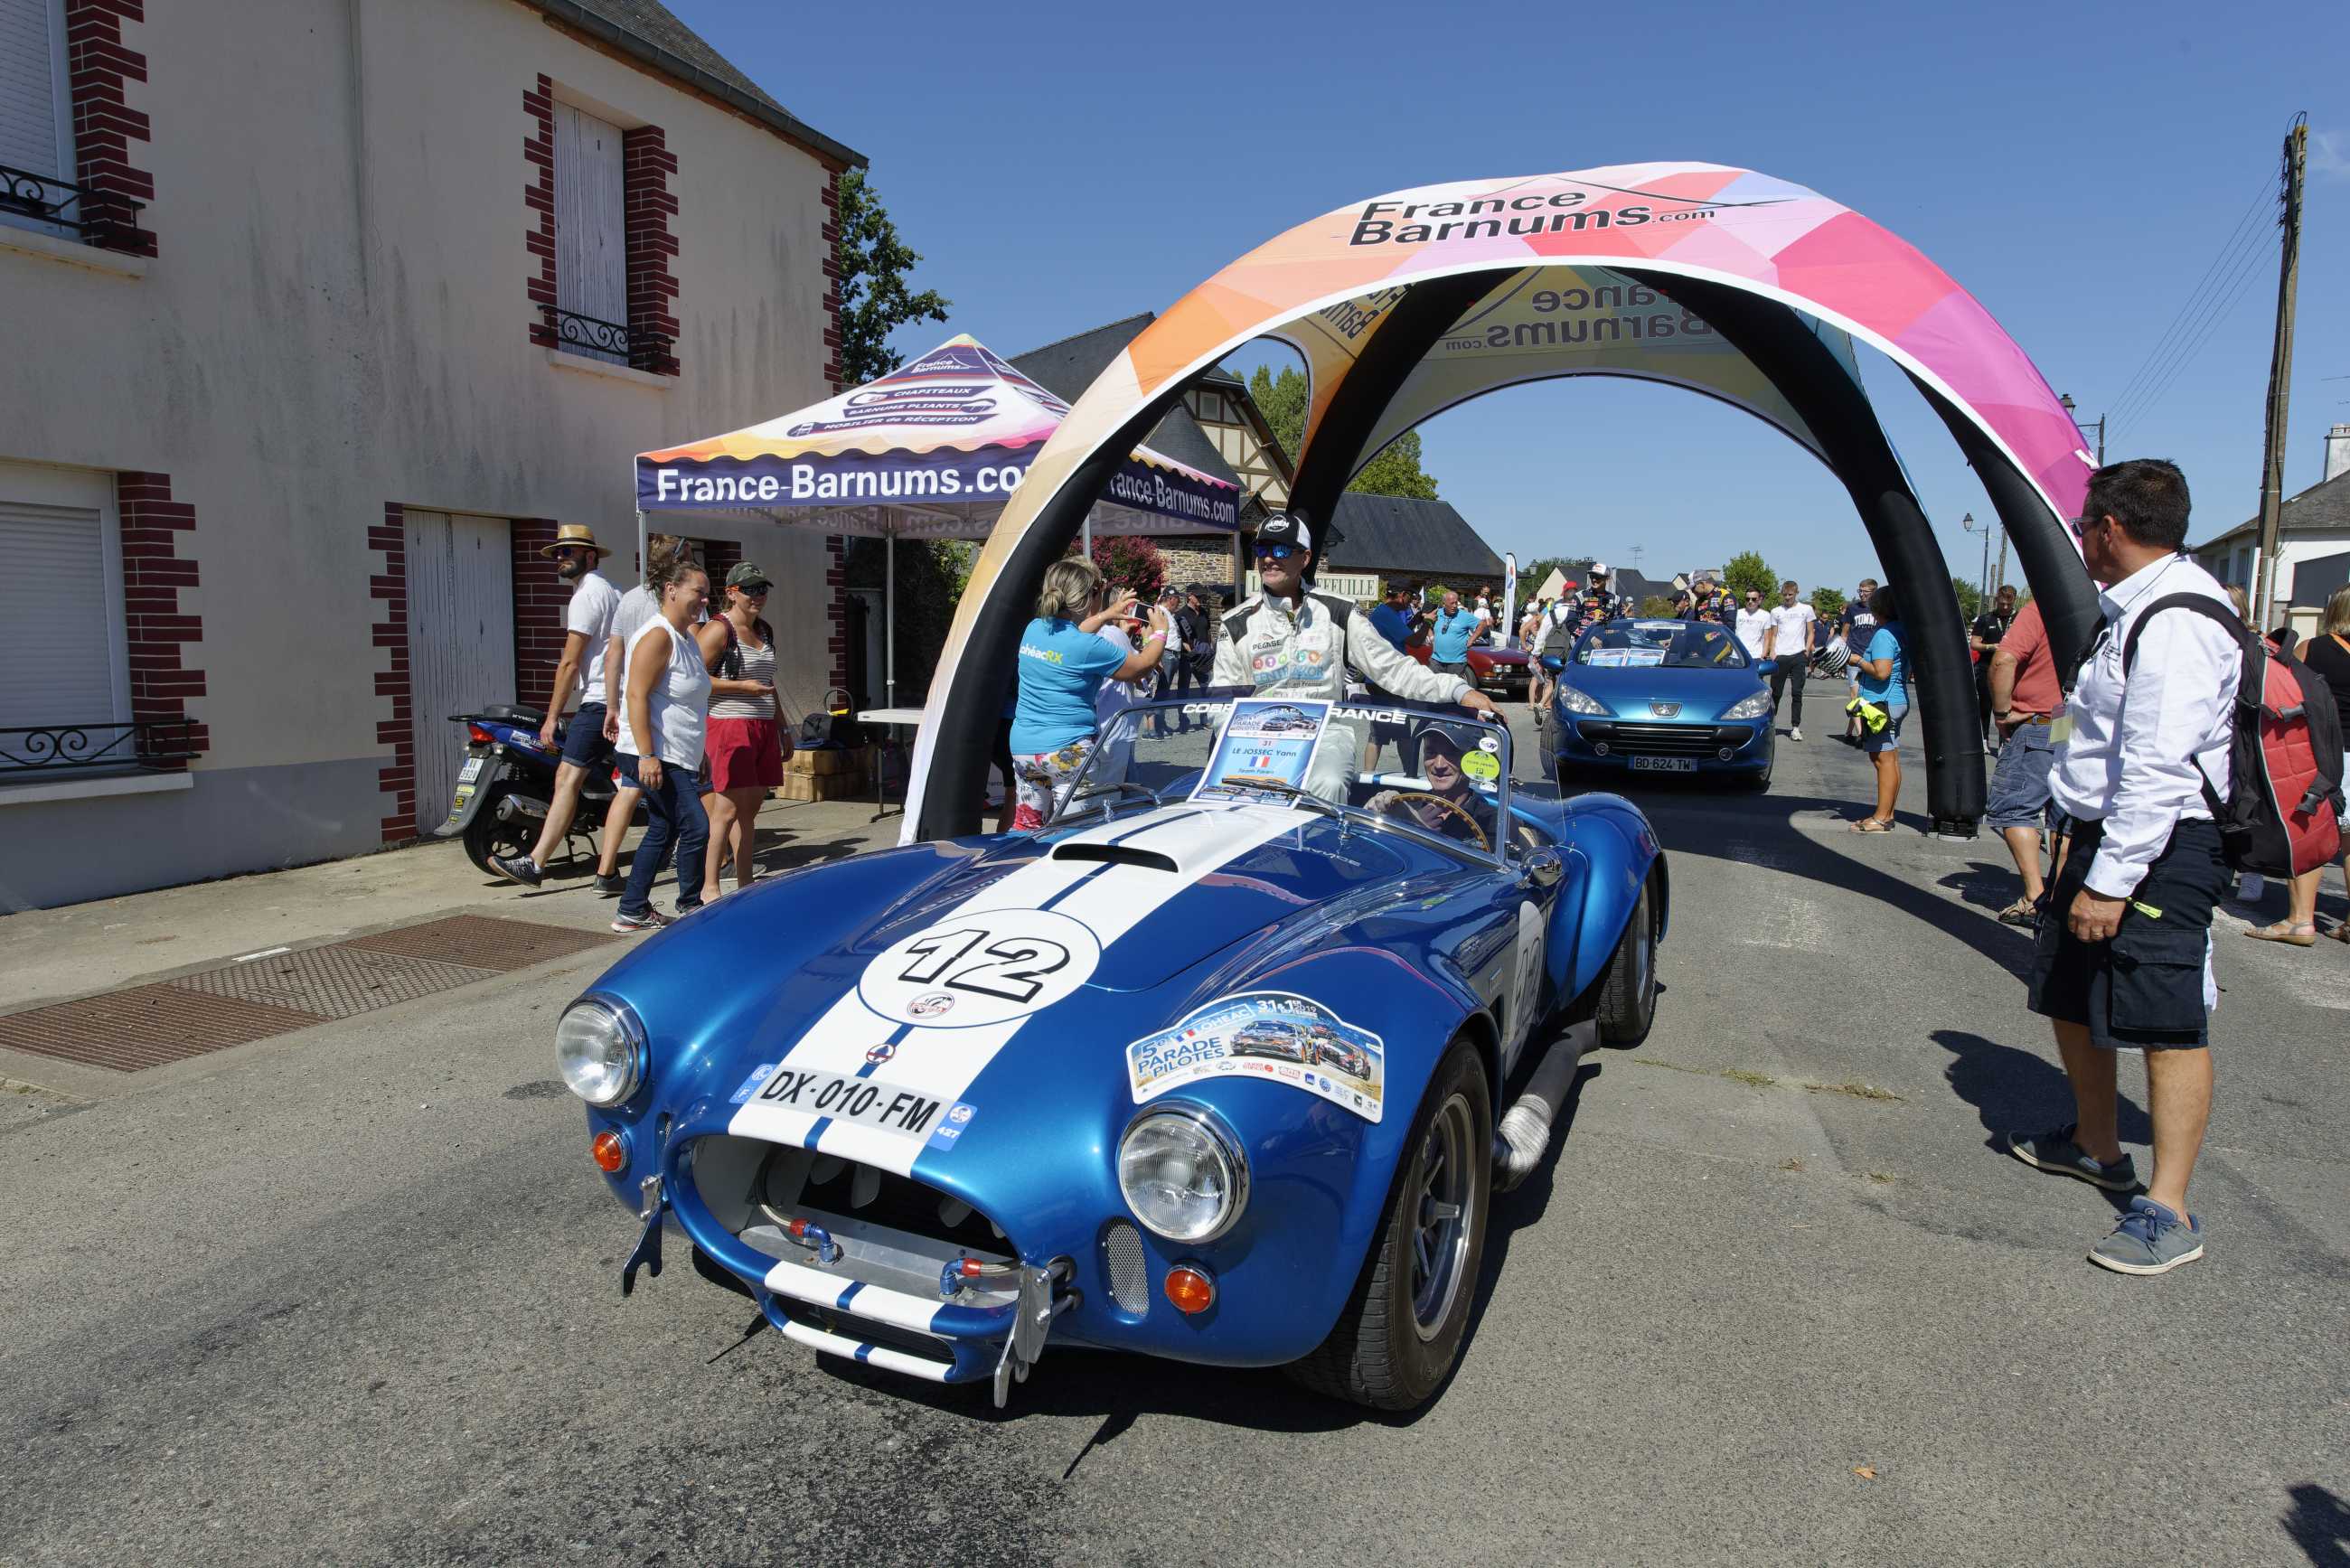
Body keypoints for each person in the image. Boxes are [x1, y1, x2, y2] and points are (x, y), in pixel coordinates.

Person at [2006, 458, 2242, 1276]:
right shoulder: (2128, 610)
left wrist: (2111, 881)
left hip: (2158, 847)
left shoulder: (2177, 618)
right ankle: (2096, 1145)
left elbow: (2159, 767)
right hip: (2095, 834)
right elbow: (2094, 723)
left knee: (2164, 1020)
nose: (2079, 538)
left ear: (2109, 528)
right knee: (2071, 994)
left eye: (2083, 525)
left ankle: (2169, 1209)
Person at [1212, 511, 1499, 803]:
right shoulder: (1235, 622)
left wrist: (1458, 689)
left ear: (1305, 558)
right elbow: (1220, 701)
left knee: (1328, 782)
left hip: (1323, 735)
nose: (1269, 558)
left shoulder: (1339, 611)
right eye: (1262, 549)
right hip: (1255, 739)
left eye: (1281, 549)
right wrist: (1246, 739)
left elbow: (1392, 668)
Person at [491, 524, 618, 890]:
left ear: (589, 556)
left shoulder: (587, 595)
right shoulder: (611, 591)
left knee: (568, 778)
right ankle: (607, 872)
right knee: (632, 784)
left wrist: (551, 717)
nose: (560, 559)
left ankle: (536, 863)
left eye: (568, 552)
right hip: (615, 699)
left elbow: (570, 662)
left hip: (600, 700)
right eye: (558, 553)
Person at [1008, 558, 1170, 831]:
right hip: (1067, 751)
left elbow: (1072, 637)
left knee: (1027, 827)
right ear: (1086, 597)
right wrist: (1161, 632)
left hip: (1024, 748)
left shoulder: (1033, 629)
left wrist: (1106, 615)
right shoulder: (1088, 647)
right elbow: (1141, 667)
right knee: (1070, 832)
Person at [611, 557, 714, 933]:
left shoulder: (686, 639)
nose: (704, 600)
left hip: (678, 754)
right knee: (696, 826)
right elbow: (636, 695)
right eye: (698, 592)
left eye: (707, 594)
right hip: (655, 753)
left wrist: (700, 752)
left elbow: (686, 702)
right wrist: (647, 755)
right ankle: (690, 906)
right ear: (671, 590)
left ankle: (632, 909)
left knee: (664, 829)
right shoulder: (658, 636)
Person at [2248, 583, 2350, 944]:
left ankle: (2300, 920)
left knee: (2310, 829)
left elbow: (2288, 691)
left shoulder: (2316, 648)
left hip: (2325, 751)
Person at [696, 562, 788, 903]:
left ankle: (745, 882)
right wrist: (741, 687)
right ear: (732, 593)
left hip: (762, 726)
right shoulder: (718, 629)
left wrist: (783, 728)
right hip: (729, 725)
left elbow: (768, 683)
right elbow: (693, 680)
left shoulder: (765, 630)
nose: (758, 596)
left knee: (749, 813)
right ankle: (710, 886)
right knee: (725, 811)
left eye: (762, 589)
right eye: (749, 590)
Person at [1985, 596, 2064, 925]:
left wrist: (2002, 712)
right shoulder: (2097, 606)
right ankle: (2059, 898)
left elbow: (2003, 661)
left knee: (2014, 808)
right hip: (2070, 720)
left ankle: (2034, 896)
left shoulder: (2042, 608)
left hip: (2038, 719)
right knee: (2064, 814)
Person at [1365, 728, 1499, 849]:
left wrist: (1416, 829)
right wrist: (1379, 813)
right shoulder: (1406, 806)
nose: (1439, 765)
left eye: (1452, 753)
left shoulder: (1491, 821)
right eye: (1431, 752)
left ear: (1473, 758)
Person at [1848, 583, 1908, 831]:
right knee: (1890, 759)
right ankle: (1887, 814)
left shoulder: (1884, 634)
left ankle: (1881, 818)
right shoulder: (1901, 629)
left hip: (1882, 704)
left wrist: (1857, 660)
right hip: (1894, 700)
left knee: (1883, 759)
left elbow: (1882, 672)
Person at [1364, 582, 1424, 774]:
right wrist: (1428, 624)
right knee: (1397, 732)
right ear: (1402, 594)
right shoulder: (1386, 614)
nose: (1410, 603)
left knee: (1379, 731)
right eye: (1410, 598)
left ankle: (1369, 775)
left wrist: (1417, 620)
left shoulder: (1383, 612)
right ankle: (1409, 775)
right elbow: (1414, 641)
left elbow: (1399, 634)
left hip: (1381, 678)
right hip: (1386, 680)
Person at [1760, 579, 1816, 741]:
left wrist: (1806, 650)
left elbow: (1811, 632)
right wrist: (1773, 652)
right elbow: (1774, 634)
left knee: (1797, 692)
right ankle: (1771, 724)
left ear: (1796, 593)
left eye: (1790, 595)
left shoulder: (1806, 609)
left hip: (1798, 654)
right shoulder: (1776, 611)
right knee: (1776, 692)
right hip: (1781, 655)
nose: (1787, 598)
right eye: (1785, 595)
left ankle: (1795, 727)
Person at [1970, 583, 2018, 746]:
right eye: (2002, 603)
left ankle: (2004, 741)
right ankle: (1983, 739)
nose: (2005, 607)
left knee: (2006, 707)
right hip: (1986, 667)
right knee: (1985, 704)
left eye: (2009, 604)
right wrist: (1991, 647)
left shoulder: (2019, 618)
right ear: (1997, 600)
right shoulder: (1986, 619)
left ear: (2014, 601)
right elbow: (1974, 643)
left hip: (2010, 670)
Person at [1837, 577, 1881, 742]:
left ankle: (1849, 731)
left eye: (1865, 591)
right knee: (1855, 695)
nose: (1862, 594)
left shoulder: (1879, 610)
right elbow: (1844, 633)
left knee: (1866, 696)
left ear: (1873, 592)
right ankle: (1862, 734)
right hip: (1854, 656)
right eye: (1860, 591)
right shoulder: (1852, 609)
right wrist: (1842, 655)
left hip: (1872, 658)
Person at [1426, 590, 1479, 678]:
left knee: (1452, 686)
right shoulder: (1437, 613)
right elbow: (1426, 623)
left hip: (1456, 662)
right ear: (1444, 604)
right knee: (1435, 685)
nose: (1455, 606)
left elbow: (1482, 624)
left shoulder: (1464, 615)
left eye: (1456, 603)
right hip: (1436, 660)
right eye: (1452, 603)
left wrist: (1472, 639)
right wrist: (1431, 637)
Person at [1733, 587, 1772, 664]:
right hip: (1737, 655)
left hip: (1756, 656)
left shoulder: (1766, 615)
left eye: (1753, 599)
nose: (1750, 601)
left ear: (1759, 600)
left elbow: (1767, 638)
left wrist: (1764, 655)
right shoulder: (1737, 613)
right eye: (1747, 599)